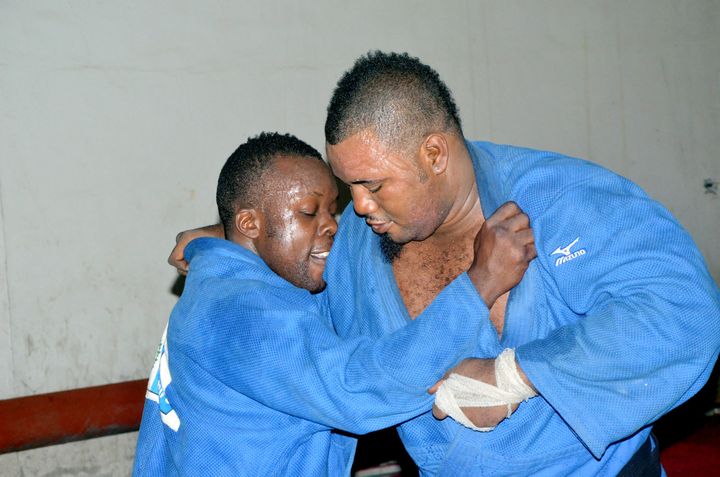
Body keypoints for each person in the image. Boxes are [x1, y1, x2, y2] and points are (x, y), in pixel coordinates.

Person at [170, 52, 720, 476]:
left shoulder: (558, 199)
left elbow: (682, 315)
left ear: (434, 154)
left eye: (372, 184)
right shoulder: (359, 245)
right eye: (347, 188)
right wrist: (225, 238)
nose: (357, 206)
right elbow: (324, 349)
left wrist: (516, 375)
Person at [136, 132, 535, 476]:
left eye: (332, 210)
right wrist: (479, 284)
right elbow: (358, 388)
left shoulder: (225, 287)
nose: (332, 226)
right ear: (249, 224)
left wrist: (216, 236)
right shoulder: (245, 315)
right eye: (309, 212)